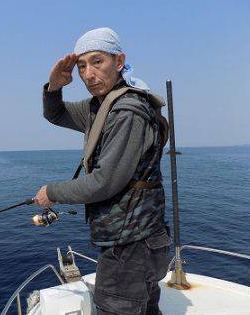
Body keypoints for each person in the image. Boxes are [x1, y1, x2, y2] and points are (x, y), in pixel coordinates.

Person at [34, 28, 171, 315]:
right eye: (82, 66)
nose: (87, 74)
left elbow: (104, 182)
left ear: (119, 61)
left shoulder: (126, 112)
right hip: (137, 242)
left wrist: (52, 192)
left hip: (131, 248)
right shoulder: (101, 105)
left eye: (97, 62)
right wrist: (54, 86)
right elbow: (56, 114)